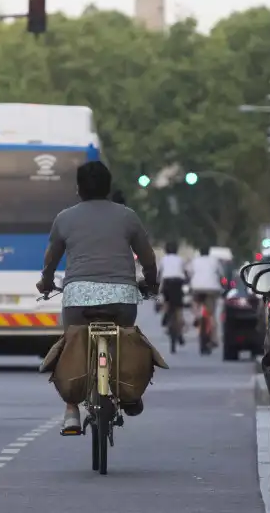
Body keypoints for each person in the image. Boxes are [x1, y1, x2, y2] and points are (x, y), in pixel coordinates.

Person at [36, 160, 158, 433]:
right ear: (108, 187)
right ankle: (129, 392)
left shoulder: (64, 218)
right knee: (125, 339)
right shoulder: (128, 216)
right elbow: (148, 258)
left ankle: (70, 410)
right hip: (122, 298)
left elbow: (51, 260)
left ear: (78, 189)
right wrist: (151, 283)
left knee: (72, 344)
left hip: (78, 297)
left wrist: (45, 283)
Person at [188, 246, 223, 349]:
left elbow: (189, 272)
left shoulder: (195, 260)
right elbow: (221, 274)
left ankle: (196, 316)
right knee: (211, 314)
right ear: (209, 252)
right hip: (212, 289)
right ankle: (214, 339)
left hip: (197, 288)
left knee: (195, 304)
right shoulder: (215, 261)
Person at [159, 241, 187, 345]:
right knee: (179, 308)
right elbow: (185, 273)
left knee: (166, 300)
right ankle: (180, 332)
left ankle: (165, 315)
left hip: (167, 283)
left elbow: (159, 274)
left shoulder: (163, 260)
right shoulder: (180, 260)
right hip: (178, 284)